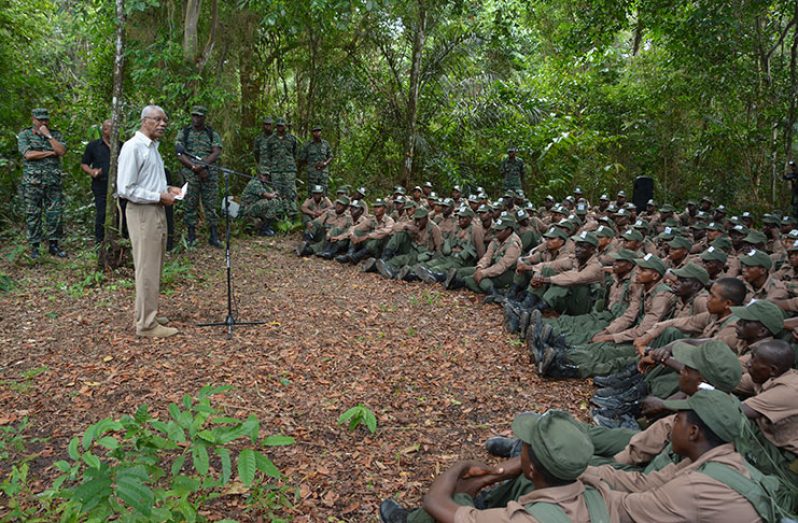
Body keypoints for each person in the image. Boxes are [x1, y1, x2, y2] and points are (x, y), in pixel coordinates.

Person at [379, 410, 617, 523]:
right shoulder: (601, 496)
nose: (520, 446)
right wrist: (491, 475)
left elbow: (434, 501)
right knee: (521, 481)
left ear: (534, 468)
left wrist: (461, 466)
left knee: (457, 500)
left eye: (524, 445)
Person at [116, 105, 181, 338]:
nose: (163, 124)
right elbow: (125, 188)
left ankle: (147, 313)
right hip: (143, 212)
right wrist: (158, 196)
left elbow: (149, 182)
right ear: (145, 121)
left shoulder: (153, 148)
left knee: (154, 265)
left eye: (165, 120)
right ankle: (146, 325)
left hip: (156, 210)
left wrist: (167, 189)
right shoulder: (133, 148)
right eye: (157, 119)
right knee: (146, 267)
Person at [17, 108, 67, 259]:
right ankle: (35, 247)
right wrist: (51, 153)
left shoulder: (55, 135)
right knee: (33, 214)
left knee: (54, 214)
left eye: (46, 120)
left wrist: (48, 136)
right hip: (33, 183)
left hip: (53, 182)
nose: (43, 122)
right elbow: (28, 155)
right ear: (33, 119)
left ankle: (54, 245)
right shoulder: (25, 135)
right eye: (40, 120)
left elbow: (62, 151)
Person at [175, 105, 223, 248]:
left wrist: (202, 165)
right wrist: (193, 167)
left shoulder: (211, 133)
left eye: (199, 116)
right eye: (194, 116)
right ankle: (191, 236)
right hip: (191, 175)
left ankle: (213, 236)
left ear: (204, 117)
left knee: (211, 204)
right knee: (190, 204)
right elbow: (179, 153)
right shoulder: (184, 132)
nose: (196, 118)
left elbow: (216, 152)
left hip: (208, 174)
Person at [81, 119, 124, 245]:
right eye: (109, 128)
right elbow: (84, 164)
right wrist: (92, 172)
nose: (112, 131)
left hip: (120, 185)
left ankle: (121, 239)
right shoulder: (93, 146)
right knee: (102, 213)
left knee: (121, 211)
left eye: (115, 128)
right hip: (101, 184)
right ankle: (100, 242)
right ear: (104, 130)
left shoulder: (122, 146)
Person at [266, 118, 299, 217]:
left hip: (289, 169)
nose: (280, 127)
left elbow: (295, 153)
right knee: (277, 191)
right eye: (278, 126)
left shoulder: (292, 139)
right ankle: (279, 213)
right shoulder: (270, 140)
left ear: (285, 126)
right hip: (275, 170)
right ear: (276, 127)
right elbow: (269, 155)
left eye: (282, 125)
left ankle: (292, 213)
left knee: (290, 191)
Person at [240, 172, 280, 236]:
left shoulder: (263, 184)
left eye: (267, 176)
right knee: (274, 202)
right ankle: (264, 229)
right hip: (247, 209)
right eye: (264, 175)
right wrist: (274, 194)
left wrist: (276, 193)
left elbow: (272, 192)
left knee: (275, 202)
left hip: (253, 207)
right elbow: (268, 195)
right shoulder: (255, 183)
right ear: (259, 175)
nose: (266, 177)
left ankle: (265, 226)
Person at [299, 125, 333, 194]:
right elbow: (302, 158)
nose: (317, 133)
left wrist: (325, 163)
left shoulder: (325, 144)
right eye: (315, 131)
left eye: (318, 131)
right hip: (312, 173)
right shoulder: (307, 145)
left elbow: (331, 156)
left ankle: (324, 205)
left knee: (324, 192)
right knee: (312, 192)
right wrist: (311, 165)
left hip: (323, 173)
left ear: (320, 132)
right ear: (312, 133)